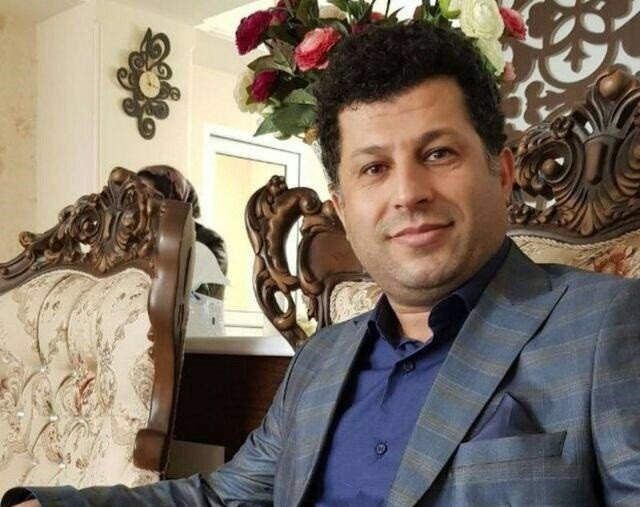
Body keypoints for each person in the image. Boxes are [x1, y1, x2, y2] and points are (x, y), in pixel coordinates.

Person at [4, 21, 640, 507]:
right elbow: (222, 498)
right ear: (342, 208)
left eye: (438, 154)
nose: (407, 192)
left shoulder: (606, 327)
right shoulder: (323, 357)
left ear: (500, 174)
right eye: (374, 168)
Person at [137, 165, 228, 300]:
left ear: (171, 200)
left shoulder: (209, 242)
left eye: (149, 197)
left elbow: (199, 297)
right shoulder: (138, 239)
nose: (142, 205)